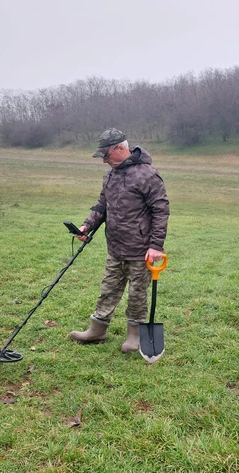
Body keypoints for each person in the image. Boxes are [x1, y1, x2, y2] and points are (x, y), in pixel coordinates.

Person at [69, 128, 170, 354]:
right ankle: (97, 329)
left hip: (141, 249)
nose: (104, 161)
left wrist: (156, 246)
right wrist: (87, 225)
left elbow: (161, 210)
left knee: (137, 293)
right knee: (108, 288)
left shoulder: (147, 175)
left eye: (107, 155)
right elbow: (102, 206)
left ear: (120, 149)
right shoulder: (111, 175)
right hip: (115, 246)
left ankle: (134, 335)